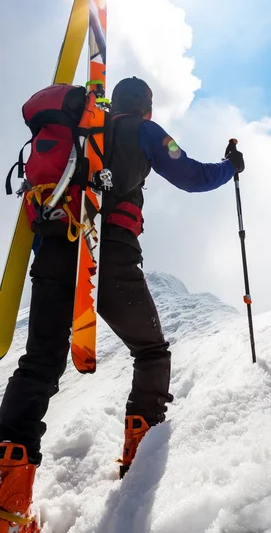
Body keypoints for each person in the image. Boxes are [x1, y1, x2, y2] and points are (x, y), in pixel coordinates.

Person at [0, 76, 244, 527]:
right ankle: (138, 461)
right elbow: (191, 175)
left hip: (56, 245)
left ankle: (6, 505)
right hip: (107, 250)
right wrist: (231, 167)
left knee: (39, 364)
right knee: (151, 351)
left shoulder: (82, 129)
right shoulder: (143, 130)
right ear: (146, 108)